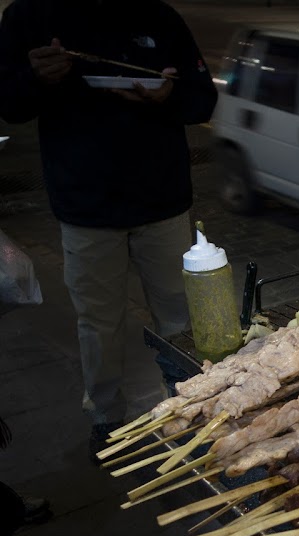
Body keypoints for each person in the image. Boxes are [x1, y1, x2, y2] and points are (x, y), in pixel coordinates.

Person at [0, 0, 218, 459]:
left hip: (163, 201)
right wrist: (36, 78)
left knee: (181, 318)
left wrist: (168, 96)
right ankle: (104, 417)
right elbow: (9, 103)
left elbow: (202, 98)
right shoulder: (30, 16)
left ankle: (195, 405)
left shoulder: (158, 15)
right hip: (85, 205)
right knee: (97, 325)